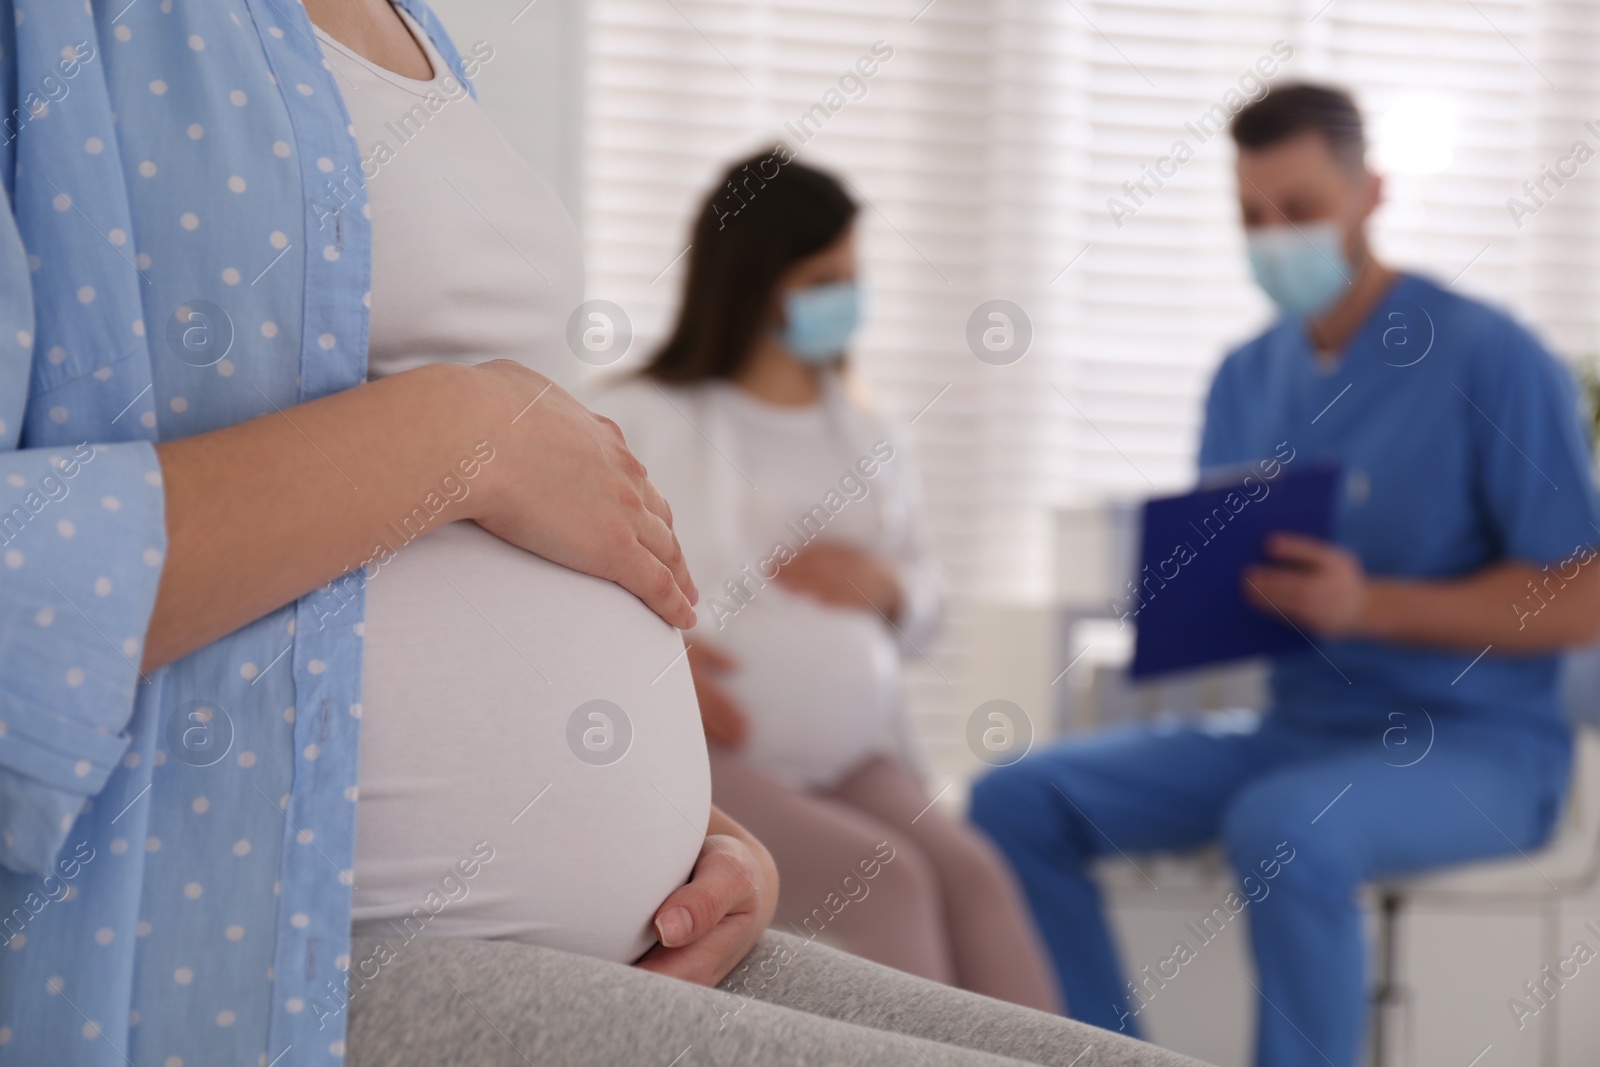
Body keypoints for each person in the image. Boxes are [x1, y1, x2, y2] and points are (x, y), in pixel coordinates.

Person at [0, 3, 1201, 1065]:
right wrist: (461, 433)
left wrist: (685, 827)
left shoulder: (413, 30)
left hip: (650, 906)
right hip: (268, 937)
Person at [971, 83, 1600, 1067]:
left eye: (1299, 210)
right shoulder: (1240, 378)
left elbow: (1582, 595)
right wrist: (1188, 596)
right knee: (1012, 800)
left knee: (1281, 827)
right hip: (1298, 731)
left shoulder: (1491, 356)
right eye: (1251, 217)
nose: (1274, 239)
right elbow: (1237, 581)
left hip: (1483, 749)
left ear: (1369, 192)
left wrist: (1369, 604)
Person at [590, 153, 1061, 1013]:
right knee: (888, 881)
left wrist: (887, 586)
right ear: (756, 282)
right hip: (715, 752)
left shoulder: (866, 431)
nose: (845, 297)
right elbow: (577, 586)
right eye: (823, 277)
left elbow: (926, 610)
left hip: (853, 751)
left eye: (852, 274)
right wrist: (653, 665)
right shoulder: (644, 417)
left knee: (975, 873)